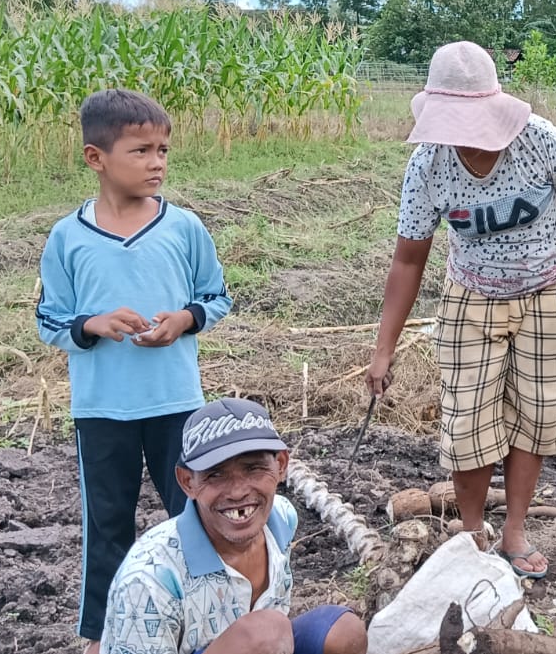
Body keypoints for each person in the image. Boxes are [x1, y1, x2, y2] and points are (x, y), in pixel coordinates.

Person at [367, 41, 556, 579]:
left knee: (536, 416)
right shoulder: (429, 165)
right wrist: (383, 348)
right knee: (468, 425)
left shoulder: (539, 140)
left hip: (552, 290)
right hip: (472, 295)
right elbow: (408, 260)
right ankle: (470, 534)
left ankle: (513, 530)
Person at [35, 89, 235, 654]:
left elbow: (216, 297)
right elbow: (49, 320)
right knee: (108, 528)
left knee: (195, 518)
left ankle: (207, 625)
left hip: (175, 401)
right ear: (96, 158)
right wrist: (91, 323)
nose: (157, 163)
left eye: (163, 150)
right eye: (141, 150)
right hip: (103, 409)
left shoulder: (184, 228)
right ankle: (102, 637)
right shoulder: (68, 238)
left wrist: (184, 320)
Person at [99, 398, 368, 654]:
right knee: (266, 635)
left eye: (253, 468)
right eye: (216, 475)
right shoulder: (148, 580)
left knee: (344, 632)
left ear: (281, 466)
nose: (238, 492)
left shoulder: (281, 519)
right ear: (187, 482)